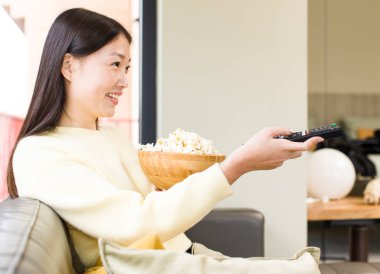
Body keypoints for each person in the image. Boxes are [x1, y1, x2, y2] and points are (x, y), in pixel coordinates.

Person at [7, 8, 323, 270]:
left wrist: (241, 157)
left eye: (128, 67)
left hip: (182, 256)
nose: (124, 80)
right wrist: (239, 164)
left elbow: (152, 203)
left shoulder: (110, 136)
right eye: (115, 64)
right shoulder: (38, 152)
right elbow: (139, 222)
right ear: (69, 66)